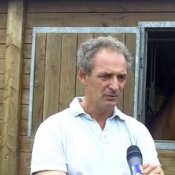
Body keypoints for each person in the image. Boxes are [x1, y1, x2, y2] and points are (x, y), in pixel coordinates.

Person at [30, 36, 165, 175]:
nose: (115, 86)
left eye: (121, 77)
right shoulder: (54, 129)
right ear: (83, 76)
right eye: (106, 76)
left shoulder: (137, 131)